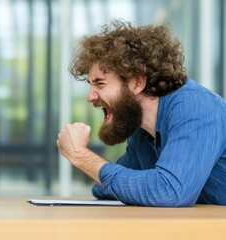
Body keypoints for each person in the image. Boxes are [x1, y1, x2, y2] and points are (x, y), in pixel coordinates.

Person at [57, 20, 226, 207]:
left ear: (137, 83)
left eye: (100, 84)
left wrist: (81, 155)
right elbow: (106, 187)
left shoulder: (195, 107)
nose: (90, 96)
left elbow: (168, 192)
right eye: (90, 85)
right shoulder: (143, 132)